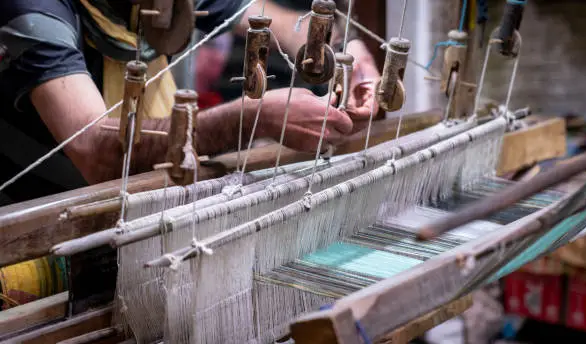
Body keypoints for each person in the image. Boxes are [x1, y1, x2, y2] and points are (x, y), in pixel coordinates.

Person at [0, 0, 357, 206]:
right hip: (40, 228)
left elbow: (276, 22)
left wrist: (347, 54)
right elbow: (97, 149)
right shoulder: (32, 8)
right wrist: (252, 119)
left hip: (136, 215)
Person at [208, 0, 381, 132]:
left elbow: (341, 8)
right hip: (250, 91)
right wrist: (293, 30)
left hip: (320, 85)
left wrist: (348, 43)